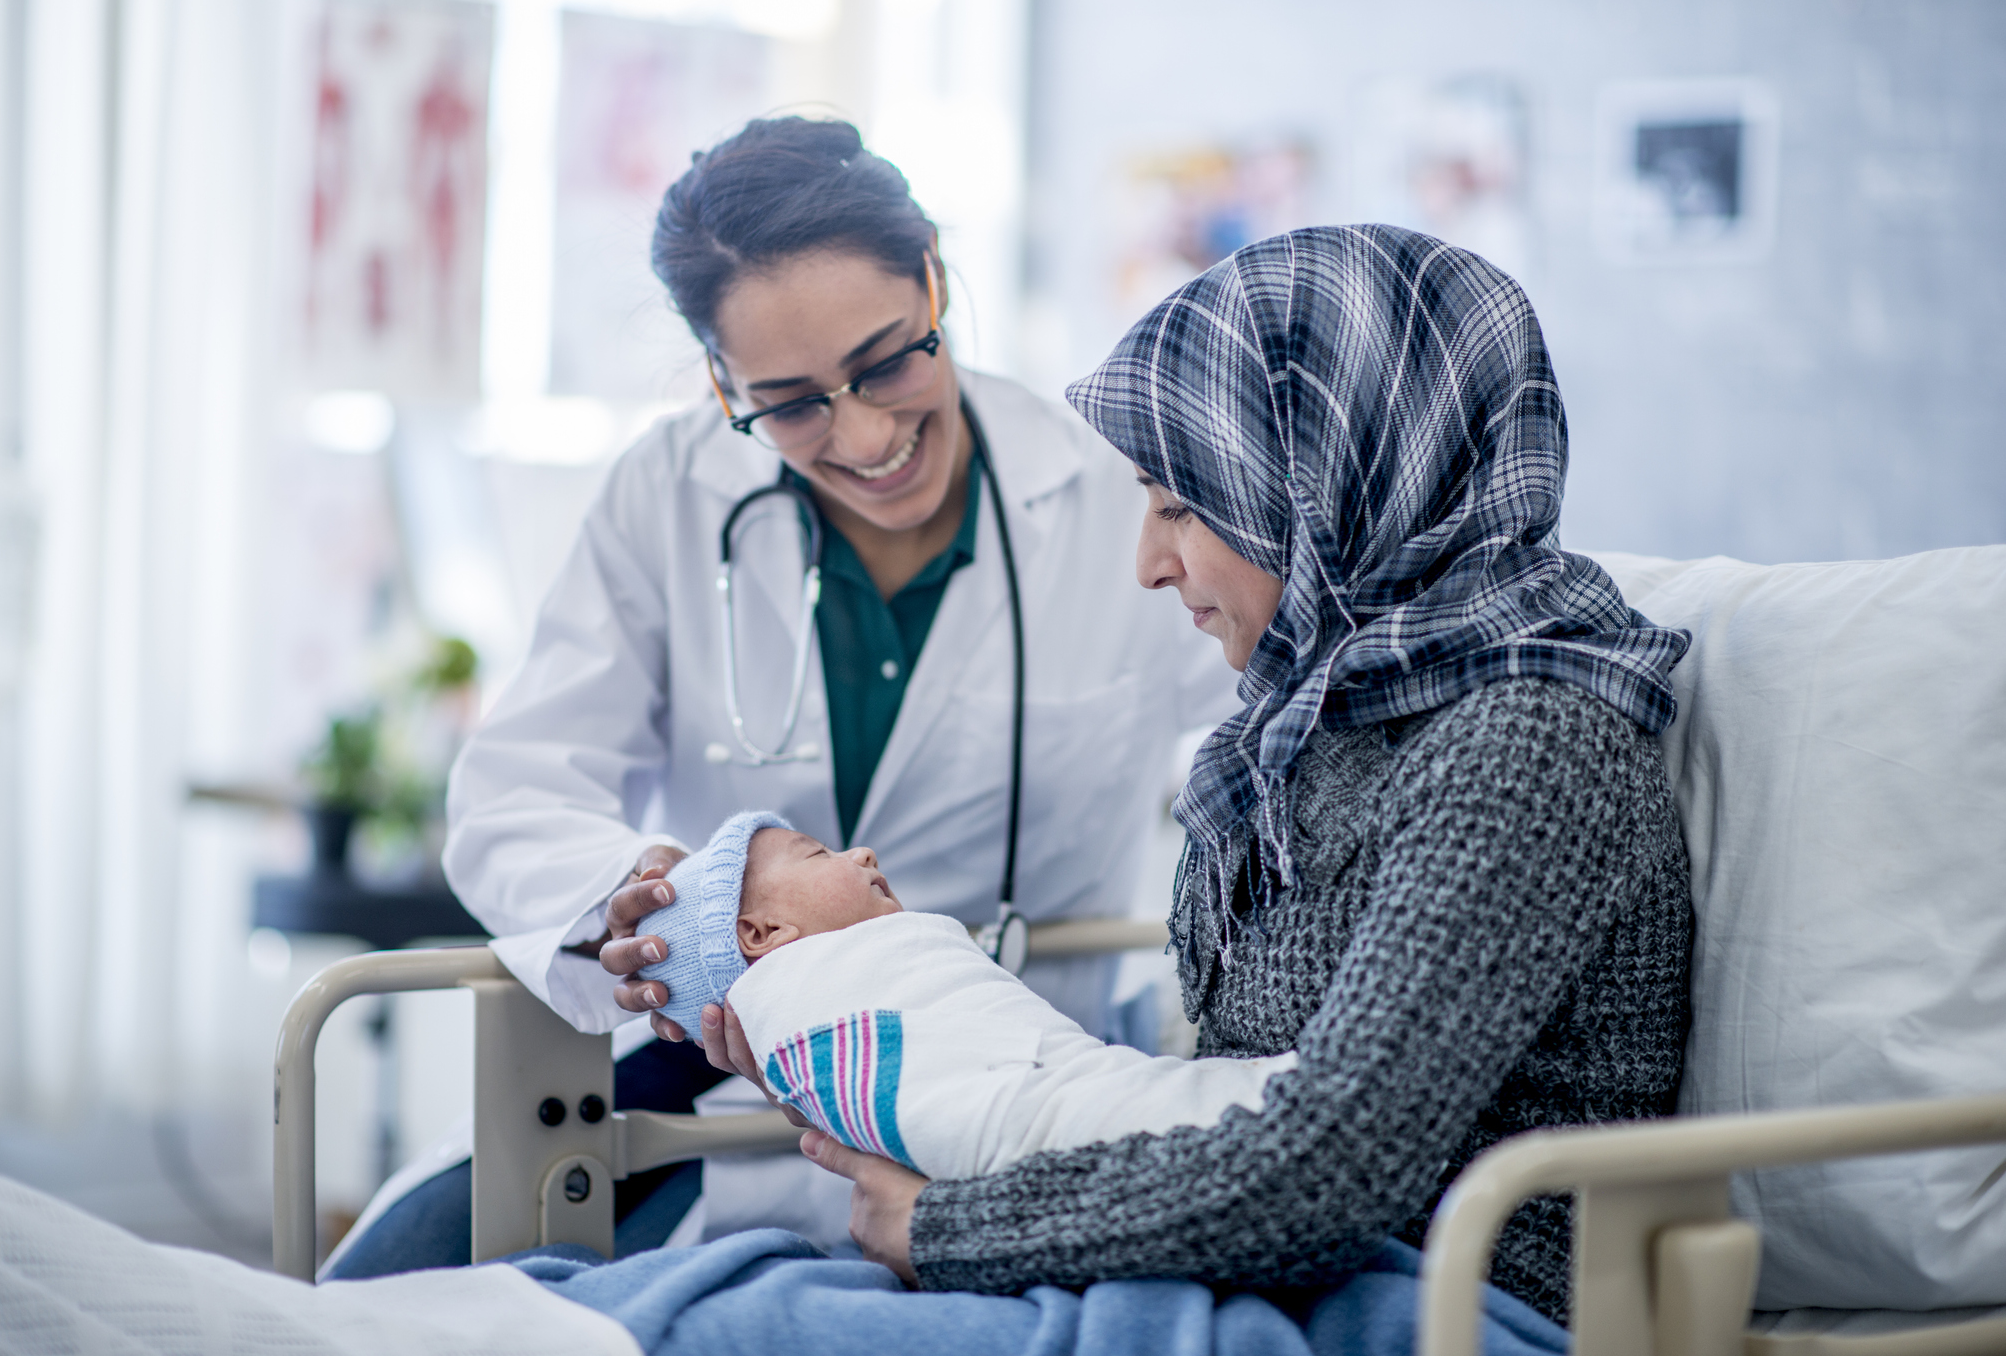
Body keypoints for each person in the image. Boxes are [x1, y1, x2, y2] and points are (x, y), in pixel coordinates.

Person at [685, 224, 1693, 1325]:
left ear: (1315, 483)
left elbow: (1336, 1164)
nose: (1148, 563)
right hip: (1254, 1267)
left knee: (726, 1322)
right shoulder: (1304, 730)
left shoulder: (1525, 749)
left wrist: (945, 1226)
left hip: (1439, 1298)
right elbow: (1211, 1107)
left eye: (1181, 504)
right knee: (702, 1295)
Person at [327, 116, 1235, 1276]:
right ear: (719, 381)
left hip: (1009, 1079)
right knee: (368, 1296)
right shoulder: (668, 494)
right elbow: (511, 797)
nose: (864, 434)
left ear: (933, 282)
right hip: (721, 1081)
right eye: (793, 401)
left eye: (890, 359)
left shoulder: (1115, 493)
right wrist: (634, 899)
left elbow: (1281, 736)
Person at [635, 810, 1294, 1181]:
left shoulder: (888, 960)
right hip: (1025, 1116)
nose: (862, 852)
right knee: (1191, 1117)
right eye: (817, 854)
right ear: (763, 933)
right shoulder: (812, 1005)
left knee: (1164, 1106)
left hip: (1065, 1077)